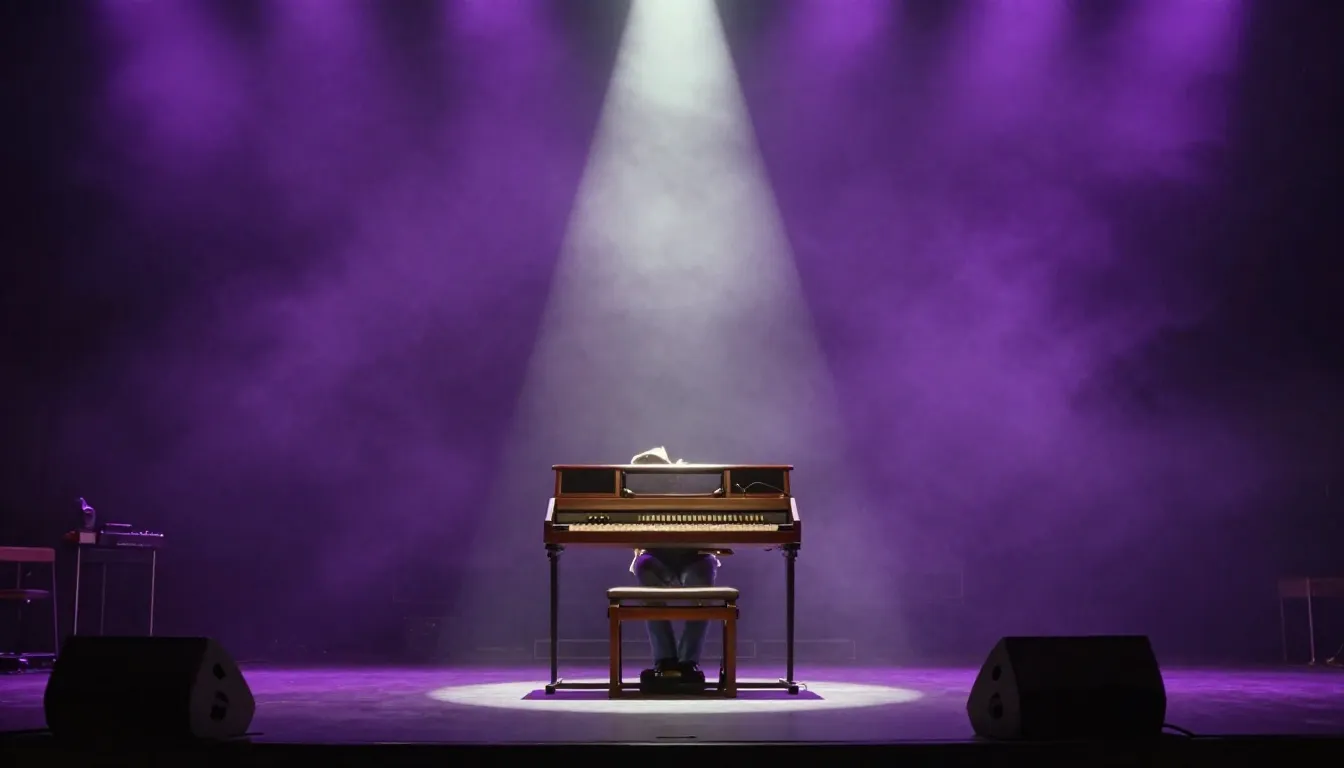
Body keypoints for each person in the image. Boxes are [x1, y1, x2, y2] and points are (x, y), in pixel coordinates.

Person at [627, 446, 719, 682]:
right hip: (657, 558)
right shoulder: (636, 495)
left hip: (694, 557)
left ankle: (688, 662)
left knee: (706, 569)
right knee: (643, 565)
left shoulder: (689, 488)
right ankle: (666, 660)